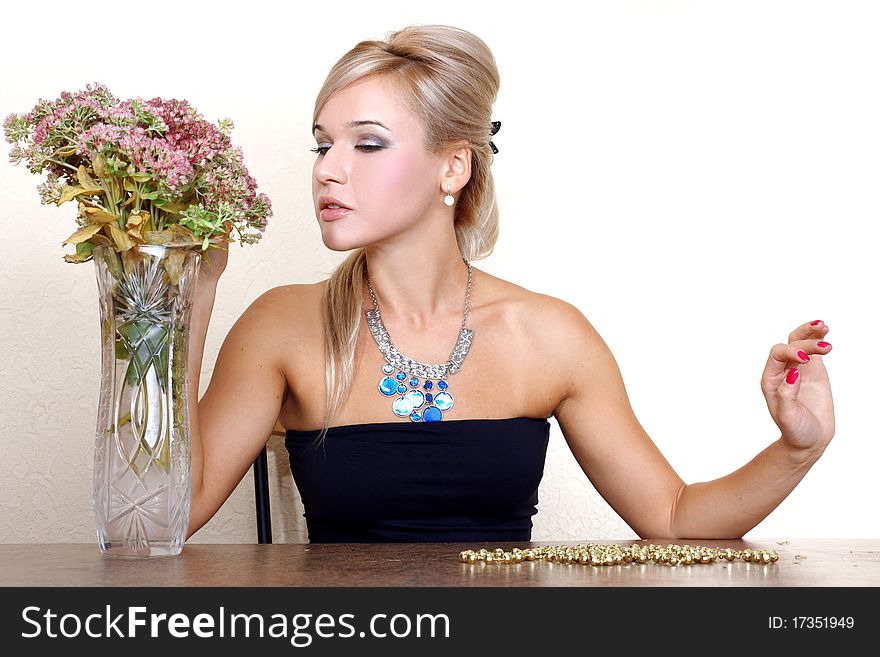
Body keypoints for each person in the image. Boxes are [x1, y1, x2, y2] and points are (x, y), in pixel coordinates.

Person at [186, 24, 835, 543]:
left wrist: (796, 449)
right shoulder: (282, 326)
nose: (328, 169)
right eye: (321, 145)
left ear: (453, 166)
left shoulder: (548, 335)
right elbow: (167, 516)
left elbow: (671, 516)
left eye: (368, 144)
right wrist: (187, 301)